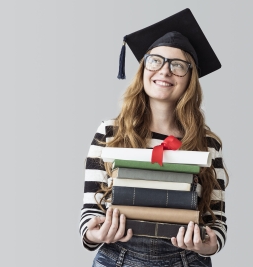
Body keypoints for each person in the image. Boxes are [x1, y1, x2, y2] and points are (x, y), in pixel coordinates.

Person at [79, 9, 228, 267]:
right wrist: (94, 233)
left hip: (186, 261)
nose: (165, 71)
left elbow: (216, 221)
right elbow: (91, 210)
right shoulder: (110, 133)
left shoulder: (206, 143)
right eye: (155, 60)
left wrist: (208, 244)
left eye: (178, 65)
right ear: (143, 68)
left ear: (190, 78)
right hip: (117, 259)